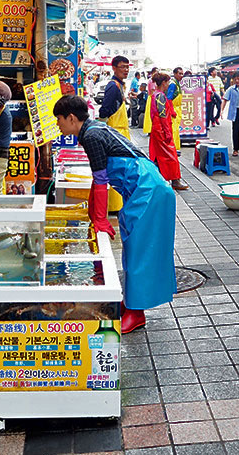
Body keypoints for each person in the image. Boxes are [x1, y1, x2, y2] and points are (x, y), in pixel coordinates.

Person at [53, 95, 176, 333]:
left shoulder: (91, 135)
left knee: (139, 251)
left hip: (148, 189)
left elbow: (100, 182)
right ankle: (131, 304)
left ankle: (136, 313)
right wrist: (92, 214)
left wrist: (99, 219)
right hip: (146, 187)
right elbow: (98, 180)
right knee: (134, 248)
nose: (58, 125)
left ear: (71, 118)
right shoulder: (93, 129)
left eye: (59, 119)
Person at [149, 72, 189, 190]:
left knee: (158, 156)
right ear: (163, 83)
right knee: (171, 156)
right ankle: (175, 180)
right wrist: (167, 132)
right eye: (167, 82)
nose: (168, 84)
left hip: (156, 129)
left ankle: (160, 179)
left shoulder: (155, 95)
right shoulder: (160, 96)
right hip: (161, 129)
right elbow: (162, 115)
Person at [98, 55, 131, 139]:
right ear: (114, 68)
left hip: (120, 132)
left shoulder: (120, 85)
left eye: (127, 67)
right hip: (115, 133)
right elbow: (105, 109)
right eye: (123, 67)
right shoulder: (113, 86)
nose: (126, 70)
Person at [221, 70, 239, 156]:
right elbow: (225, 99)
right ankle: (236, 149)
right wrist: (221, 110)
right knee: (235, 131)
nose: (237, 81)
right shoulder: (231, 89)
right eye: (235, 79)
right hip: (235, 112)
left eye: (238, 79)